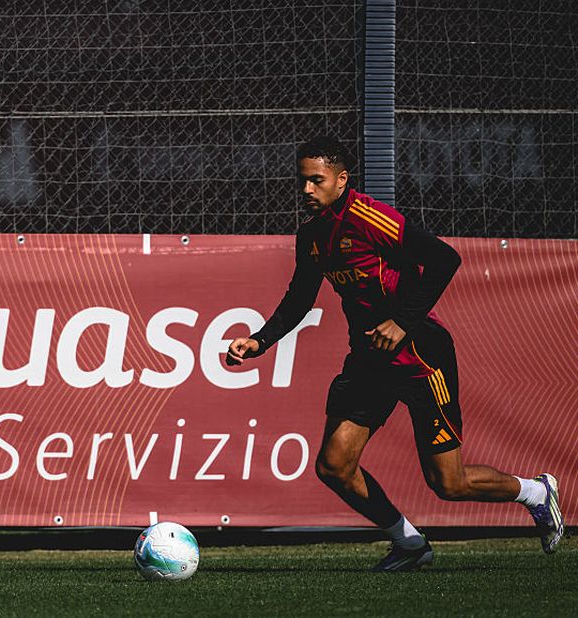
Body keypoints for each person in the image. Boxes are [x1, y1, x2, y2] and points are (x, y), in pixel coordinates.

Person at [225, 136, 564, 571]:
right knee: (334, 467)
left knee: (449, 483)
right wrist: (260, 340)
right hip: (369, 362)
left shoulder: (370, 217)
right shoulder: (311, 235)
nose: (306, 190)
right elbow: (299, 297)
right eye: (302, 181)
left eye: (316, 180)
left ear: (341, 180)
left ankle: (535, 492)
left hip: (421, 358)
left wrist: (403, 321)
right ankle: (409, 544)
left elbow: (444, 259)